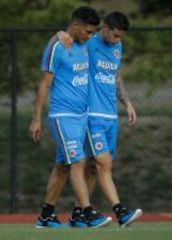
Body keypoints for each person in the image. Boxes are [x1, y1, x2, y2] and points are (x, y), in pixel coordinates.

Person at [29, 6, 112, 228]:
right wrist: (36, 118)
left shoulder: (86, 43)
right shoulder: (57, 46)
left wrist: (61, 31)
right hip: (62, 115)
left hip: (82, 117)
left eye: (92, 32)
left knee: (63, 166)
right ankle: (87, 212)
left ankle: (46, 215)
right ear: (75, 26)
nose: (90, 36)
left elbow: (108, 39)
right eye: (86, 31)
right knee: (78, 162)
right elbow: (44, 84)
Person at [58, 11, 143, 227]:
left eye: (120, 37)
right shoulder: (89, 43)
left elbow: (116, 78)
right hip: (91, 115)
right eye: (114, 35)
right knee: (103, 163)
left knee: (95, 168)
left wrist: (128, 103)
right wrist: (59, 33)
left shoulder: (117, 48)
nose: (117, 41)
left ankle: (78, 213)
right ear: (104, 29)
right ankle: (120, 212)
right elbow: (67, 38)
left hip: (110, 116)